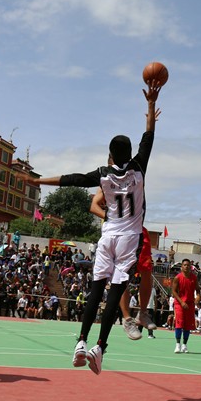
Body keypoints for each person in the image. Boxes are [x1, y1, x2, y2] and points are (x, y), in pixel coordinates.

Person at [33, 81, 161, 374]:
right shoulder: (139, 168)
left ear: (110, 155)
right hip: (129, 238)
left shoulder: (103, 175)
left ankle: (80, 341)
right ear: (130, 153)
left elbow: (72, 179)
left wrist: (37, 180)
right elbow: (149, 137)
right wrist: (151, 104)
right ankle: (100, 347)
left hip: (107, 235)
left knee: (95, 290)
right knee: (116, 291)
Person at [89, 188, 157, 340]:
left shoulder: (134, 180)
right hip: (118, 234)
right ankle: (127, 319)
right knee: (122, 275)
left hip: (138, 230)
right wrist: (110, 217)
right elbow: (93, 206)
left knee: (147, 271)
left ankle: (143, 313)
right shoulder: (106, 183)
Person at [172, 259, 197, 353]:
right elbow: (174, 291)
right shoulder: (177, 278)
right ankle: (177, 344)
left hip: (190, 304)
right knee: (179, 323)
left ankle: (184, 345)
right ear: (182, 267)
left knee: (188, 325)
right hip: (179, 303)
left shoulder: (194, 278)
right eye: (185, 265)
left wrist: (198, 298)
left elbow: (198, 290)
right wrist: (181, 302)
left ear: (190, 267)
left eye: (188, 265)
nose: (186, 266)